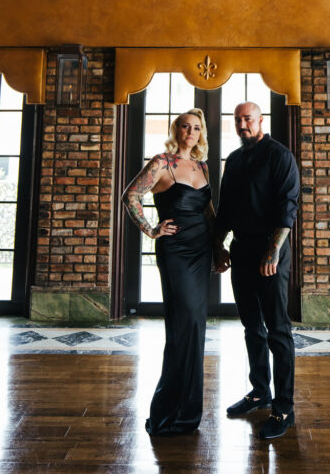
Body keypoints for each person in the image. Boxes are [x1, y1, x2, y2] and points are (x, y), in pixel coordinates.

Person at [122, 109, 215, 436]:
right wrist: (150, 228)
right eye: (185, 126)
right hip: (175, 250)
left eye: (196, 128)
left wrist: (219, 248)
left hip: (202, 249)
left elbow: (208, 210)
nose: (191, 131)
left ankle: (187, 411)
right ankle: (166, 411)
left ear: (201, 133)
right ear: (176, 131)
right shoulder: (162, 162)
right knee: (183, 322)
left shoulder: (202, 166)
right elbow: (130, 195)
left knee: (196, 326)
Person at [214, 100, 300, 441]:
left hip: (271, 252)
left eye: (247, 118)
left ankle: (284, 408)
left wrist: (272, 252)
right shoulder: (234, 161)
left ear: (260, 120)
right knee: (252, 326)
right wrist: (217, 246)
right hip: (241, 250)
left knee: (278, 329)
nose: (242, 124)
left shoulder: (280, 156)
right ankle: (259, 392)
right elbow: (225, 210)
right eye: (237, 120)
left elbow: (287, 207)